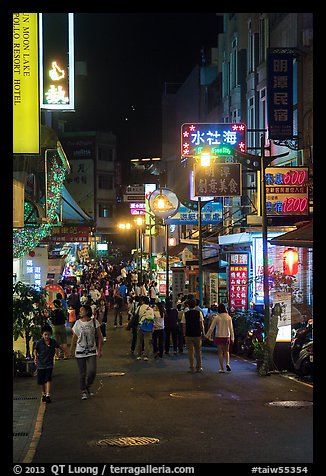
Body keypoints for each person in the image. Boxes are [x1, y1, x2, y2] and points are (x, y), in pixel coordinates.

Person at [69, 304, 103, 400]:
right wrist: (70, 351)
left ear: (87, 312)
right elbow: (74, 338)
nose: (79, 312)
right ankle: (83, 390)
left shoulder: (94, 322)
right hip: (80, 350)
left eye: (81, 310)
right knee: (82, 373)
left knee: (92, 371)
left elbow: (100, 337)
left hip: (92, 350)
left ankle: (88, 385)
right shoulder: (77, 323)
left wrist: (99, 350)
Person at [33, 324, 67, 403]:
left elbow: (59, 347)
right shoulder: (39, 342)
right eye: (45, 335)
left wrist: (66, 352)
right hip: (40, 364)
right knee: (41, 381)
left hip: (49, 364)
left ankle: (48, 395)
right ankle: (43, 394)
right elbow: (35, 349)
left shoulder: (53, 342)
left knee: (48, 378)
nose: (47, 336)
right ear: (42, 334)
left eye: (48, 334)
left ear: (50, 334)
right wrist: (35, 357)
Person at [205, 303, 234, 373]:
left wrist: (206, 336)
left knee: (220, 352)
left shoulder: (217, 317)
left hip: (219, 336)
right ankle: (227, 363)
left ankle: (222, 368)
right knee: (226, 351)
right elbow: (231, 329)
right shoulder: (229, 317)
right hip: (227, 336)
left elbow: (211, 328)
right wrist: (232, 338)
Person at [181, 298, 205, 373]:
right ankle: (199, 367)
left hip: (188, 334)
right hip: (197, 334)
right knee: (198, 351)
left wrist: (184, 333)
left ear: (188, 305)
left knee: (190, 352)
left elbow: (184, 325)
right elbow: (201, 325)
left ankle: (192, 366)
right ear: (195, 305)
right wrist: (203, 333)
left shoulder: (185, 314)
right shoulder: (199, 313)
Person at [136, 296, 154, 361]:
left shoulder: (139, 307)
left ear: (143, 301)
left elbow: (135, 315)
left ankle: (139, 355)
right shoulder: (151, 309)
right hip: (148, 326)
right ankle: (146, 355)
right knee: (147, 341)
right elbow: (152, 319)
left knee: (139, 340)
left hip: (140, 325)